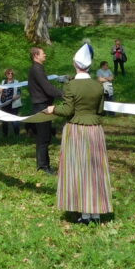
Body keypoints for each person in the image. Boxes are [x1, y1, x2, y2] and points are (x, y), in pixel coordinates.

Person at [41, 43, 112, 224]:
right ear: (89, 65)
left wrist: (53, 109)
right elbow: (100, 111)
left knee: (78, 169)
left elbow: (67, 110)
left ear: (75, 64)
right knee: (95, 170)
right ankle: (96, 213)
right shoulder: (98, 86)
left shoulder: (71, 86)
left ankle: (85, 214)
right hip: (95, 131)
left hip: (76, 131)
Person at [27, 47, 62, 174]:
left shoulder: (38, 68)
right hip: (41, 105)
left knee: (45, 136)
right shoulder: (36, 69)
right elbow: (48, 88)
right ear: (36, 55)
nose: (45, 55)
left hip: (42, 104)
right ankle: (43, 166)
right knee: (43, 137)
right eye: (43, 53)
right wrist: (64, 94)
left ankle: (44, 164)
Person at [0, 67, 22, 137]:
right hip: (4, 104)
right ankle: (5, 136)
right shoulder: (3, 82)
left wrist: (12, 99)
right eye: (8, 73)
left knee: (14, 121)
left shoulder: (17, 82)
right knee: (4, 121)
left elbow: (19, 94)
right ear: (6, 74)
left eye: (11, 73)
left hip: (14, 104)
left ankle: (17, 136)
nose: (10, 74)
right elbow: (0, 92)